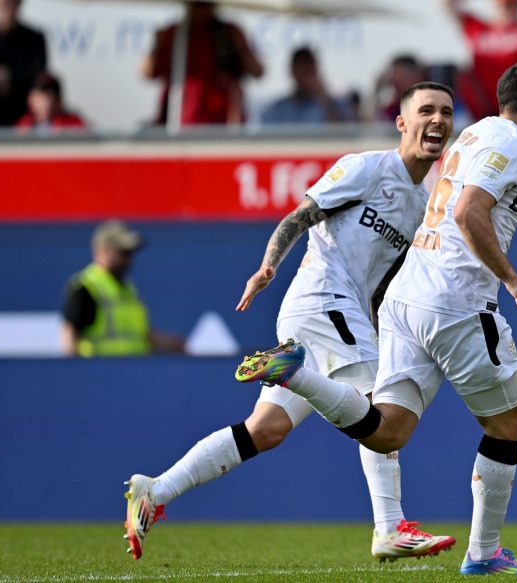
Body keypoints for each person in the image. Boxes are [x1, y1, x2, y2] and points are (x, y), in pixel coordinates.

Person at [234, 61, 517, 576]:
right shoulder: (507, 144)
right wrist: (513, 279)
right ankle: (483, 554)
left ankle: (295, 374)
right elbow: (468, 212)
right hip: (455, 304)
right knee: (507, 422)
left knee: (387, 433)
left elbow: (507, 195)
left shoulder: (479, 135)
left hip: (406, 302)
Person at [122, 82, 458, 562]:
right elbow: (301, 216)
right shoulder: (366, 166)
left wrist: (389, 328)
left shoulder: (421, 204)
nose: (438, 120)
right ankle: (389, 527)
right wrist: (268, 265)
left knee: (265, 429)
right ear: (402, 122)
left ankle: (156, 489)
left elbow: (383, 282)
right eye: (426, 110)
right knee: (380, 411)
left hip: (336, 312)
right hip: (322, 298)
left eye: (446, 112)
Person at [61, 220, 186, 358]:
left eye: (130, 253)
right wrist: (76, 372)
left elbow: (141, 335)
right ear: (104, 250)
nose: (129, 259)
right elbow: (69, 336)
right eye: (123, 252)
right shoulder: (86, 287)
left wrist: (172, 344)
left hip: (135, 372)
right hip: (100, 374)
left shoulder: (128, 289)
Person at [141, 0, 263, 126]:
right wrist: (157, 45)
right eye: (197, 4)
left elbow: (258, 71)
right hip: (179, 118)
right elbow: (148, 72)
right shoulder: (172, 34)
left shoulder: (230, 32)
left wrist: (240, 46)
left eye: (205, 4)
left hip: (222, 120)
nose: (201, 9)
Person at [0, 0, 47, 128]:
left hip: (27, 121)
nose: (7, 7)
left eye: (11, 2)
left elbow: (37, 75)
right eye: (3, 3)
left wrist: (7, 77)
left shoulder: (34, 39)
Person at [261, 47, 355, 125]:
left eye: (309, 68)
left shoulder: (334, 106)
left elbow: (343, 134)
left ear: (316, 70)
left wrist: (322, 97)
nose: (306, 74)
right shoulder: (276, 110)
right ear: (292, 71)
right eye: (301, 68)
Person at [15, 72, 87, 135]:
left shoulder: (72, 124)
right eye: (40, 97)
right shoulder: (23, 125)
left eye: (49, 96)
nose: (45, 103)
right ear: (30, 99)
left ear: (58, 100)